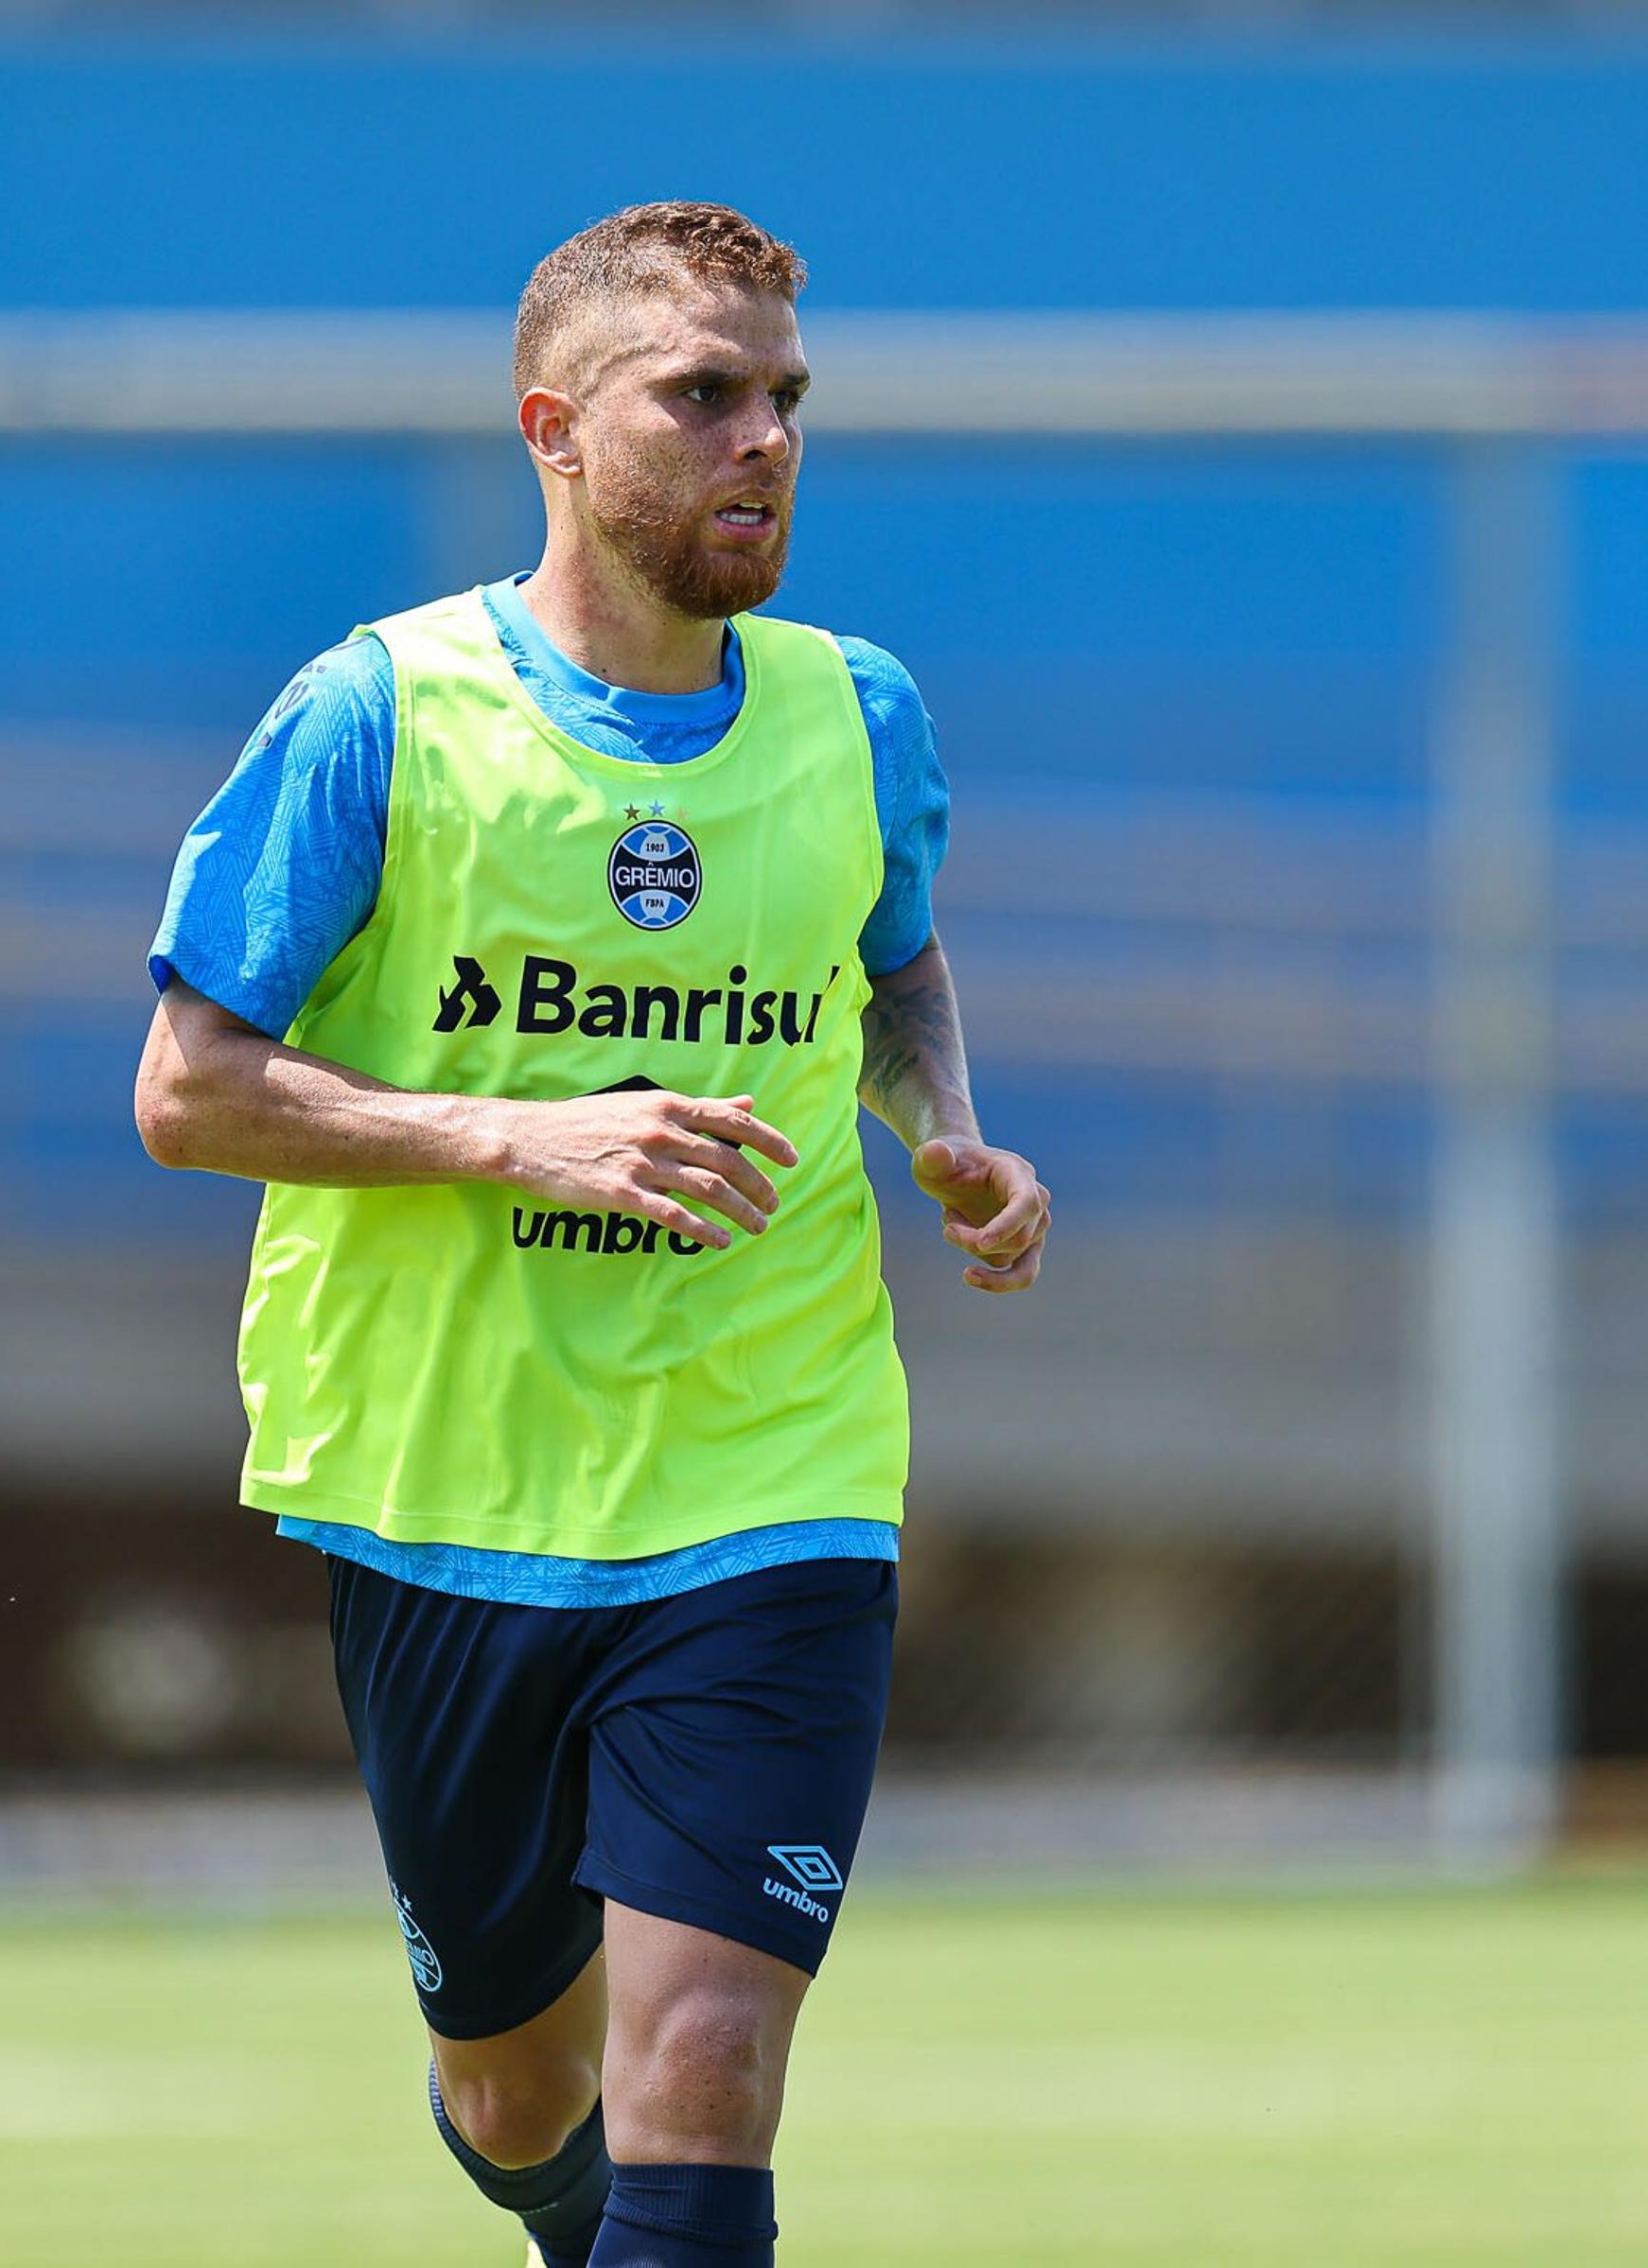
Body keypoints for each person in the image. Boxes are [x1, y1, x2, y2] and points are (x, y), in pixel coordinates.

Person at [133, 201, 1050, 2268]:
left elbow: (889, 961)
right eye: (704, 395)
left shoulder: (857, 710)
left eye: (789, 400)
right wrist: (519, 1135)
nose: (765, 441)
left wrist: (953, 1130)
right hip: (444, 1489)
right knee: (517, 2088)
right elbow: (188, 1089)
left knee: (706, 2055)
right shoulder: (381, 716)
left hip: (771, 1469)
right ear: (556, 424)